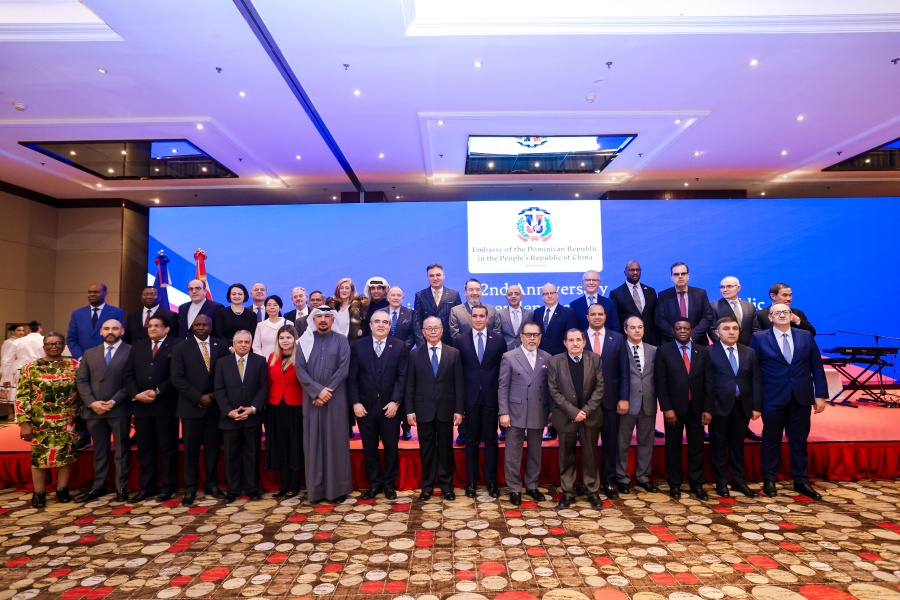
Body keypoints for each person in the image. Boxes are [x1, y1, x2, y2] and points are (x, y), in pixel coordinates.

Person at [750, 303, 828, 500]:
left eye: (786, 312)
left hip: (800, 398)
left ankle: (801, 481)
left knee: (799, 441)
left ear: (791, 315)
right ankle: (769, 479)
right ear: (770, 317)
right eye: (777, 313)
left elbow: (816, 367)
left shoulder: (805, 336)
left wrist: (820, 395)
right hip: (772, 398)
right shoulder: (759, 338)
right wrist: (756, 403)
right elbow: (754, 373)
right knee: (770, 440)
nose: (782, 315)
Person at [15, 332, 79, 508]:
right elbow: (21, 397)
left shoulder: (74, 365)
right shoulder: (31, 367)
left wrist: (77, 394)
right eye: (50, 343)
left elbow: (83, 386)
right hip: (40, 421)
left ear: (63, 345)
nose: (54, 346)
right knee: (39, 458)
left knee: (65, 455)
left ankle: (62, 489)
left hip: (66, 419)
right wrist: (24, 423)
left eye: (58, 343)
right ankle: (39, 492)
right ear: (44, 347)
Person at [349, 311, 409, 500]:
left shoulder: (399, 346)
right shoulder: (359, 346)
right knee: (369, 448)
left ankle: (389, 485)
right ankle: (374, 484)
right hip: (365, 408)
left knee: (391, 447)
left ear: (390, 326)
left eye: (385, 322)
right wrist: (356, 402)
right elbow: (352, 378)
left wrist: (396, 402)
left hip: (390, 408)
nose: (381, 325)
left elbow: (402, 377)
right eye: (377, 322)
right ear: (371, 325)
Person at [296, 307, 353, 503]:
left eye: (327, 317)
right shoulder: (304, 342)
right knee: (313, 443)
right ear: (313, 319)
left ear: (332, 319)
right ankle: (316, 491)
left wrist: (326, 391)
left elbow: (343, 369)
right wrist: (316, 391)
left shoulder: (341, 340)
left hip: (335, 399)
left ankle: (338, 490)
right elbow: (301, 371)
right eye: (319, 316)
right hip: (312, 400)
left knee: (335, 442)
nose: (323, 320)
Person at [405, 316, 464, 502]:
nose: (432, 331)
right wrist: (410, 410)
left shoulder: (454, 353)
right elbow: (410, 385)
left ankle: (447, 486)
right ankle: (427, 486)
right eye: (428, 328)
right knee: (426, 449)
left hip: (446, 409)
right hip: (423, 410)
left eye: (435, 328)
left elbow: (459, 385)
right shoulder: (414, 355)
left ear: (442, 330)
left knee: (446, 449)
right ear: (422, 332)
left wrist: (459, 410)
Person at [171, 314, 228, 505]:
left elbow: (225, 376)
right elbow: (177, 379)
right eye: (198, 325)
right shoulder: (180, 348)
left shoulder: (221, 346)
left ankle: (211, 484)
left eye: (205, 324)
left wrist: (211, 396)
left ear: (211, 326)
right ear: (192, 327)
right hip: (190, 407)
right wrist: (199, 397)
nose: (201, 327)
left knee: (212, 449)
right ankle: (190, 488)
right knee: (191, 450)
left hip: (214, 407)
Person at [123, 314, 179, 502]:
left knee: (167, 448)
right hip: (141, 405)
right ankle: (147, 486)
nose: (152, 328)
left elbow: (177, 375)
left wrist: (157, 391)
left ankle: (168, 486)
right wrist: (136, 394)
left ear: (167, 328)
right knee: (145, 448)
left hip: (165, 404)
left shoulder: (176, 345)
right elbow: (128, 374)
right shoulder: (138, 346)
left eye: (157, 325)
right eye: (150, 325)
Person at [74, 319, 132, 503]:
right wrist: (92, 403)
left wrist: (113, 401)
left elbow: (131, 381)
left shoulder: (131, 351)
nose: (110, 331)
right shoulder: (90, 353)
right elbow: (81, 381)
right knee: (99, 450)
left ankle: (121, 487)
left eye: (115, 328)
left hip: (119, 408)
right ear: (100, 332)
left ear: (122, 330)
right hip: (94, 410)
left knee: (122, 450)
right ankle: (98, 486)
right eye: (106, 328)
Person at [655, 319, 712, 500]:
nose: (682, 331)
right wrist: (667, 408)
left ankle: (696, 484)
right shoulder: (664, 351)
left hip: (697, 408)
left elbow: (708, 382)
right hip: (674, 409)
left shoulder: (702, 351)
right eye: (678, 328)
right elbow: (661, 383)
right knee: (673, 447)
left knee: (697, 447)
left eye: (686, 328)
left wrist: (708, 408)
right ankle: (675, 484)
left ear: (692, 330)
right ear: (673, 330)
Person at [548, 329, 605, 509]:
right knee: (566, 456)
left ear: (584, 342)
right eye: (571, 340)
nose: (575, 343)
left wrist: (585, 411)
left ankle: (592, 491)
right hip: (566, 418)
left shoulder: (595, 359)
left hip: (590, 416)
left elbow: (600, 388)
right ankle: (568, 492)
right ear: (565, 343)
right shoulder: (554, 361)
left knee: (590, 456)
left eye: (578, 340)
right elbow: (554, 391)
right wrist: (573, 412)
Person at [498, 322, 552, 505]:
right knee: (513, 453)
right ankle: (514, 488)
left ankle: (532, 486)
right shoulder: (509, 356)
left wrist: (550, 413)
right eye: (528, 334)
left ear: (540, 337)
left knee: (535, 452)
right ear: (521, 336)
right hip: (515, 411)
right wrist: (503, 412)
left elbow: (550, 389)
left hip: (538, 410)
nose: (532, 338)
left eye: (535, 335)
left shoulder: (547, 357)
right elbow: (503, 387)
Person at [707, 317, 762, 497]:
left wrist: (756, 406)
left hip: (742, 406)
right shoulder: (708, 352)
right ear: (717, 332)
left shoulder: (749, 352)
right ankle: (721, 482)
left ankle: (739, 481)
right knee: (718, 446)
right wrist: (707, 408)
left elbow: (755, 381)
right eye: (726, 329)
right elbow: (705, 383)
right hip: (718, 407)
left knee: (738, 446)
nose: (731, 332)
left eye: (735, 328)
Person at [455, 304, 505, 498]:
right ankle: (472, 482)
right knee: (471, 441)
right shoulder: (460, 340)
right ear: (470, 317)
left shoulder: (498, 340)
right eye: (474, 316)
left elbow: (502, 372)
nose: (477, 319)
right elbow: (458, 372)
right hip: (470, 398)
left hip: (492, 398)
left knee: (491, 440)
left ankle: (492, 482)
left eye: (481, 316)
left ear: (487, 318)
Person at [583, 303, 630, 499]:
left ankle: (608, 480)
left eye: (600, 314)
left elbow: (624, 370)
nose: (596, 317)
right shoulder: (579, 338)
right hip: (585, 401)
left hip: (611, 400)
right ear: (587, 317)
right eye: (593, 314)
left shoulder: (617, 338)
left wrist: (624, 398)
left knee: (610, 442)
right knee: (588, 444)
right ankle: (590, 481)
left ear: (605, 316)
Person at [214, 330, 268, 503]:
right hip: (230, 417)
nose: (244, 345)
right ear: (234, 344)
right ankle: (233, 489)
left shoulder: (260, 361)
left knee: (252, 453)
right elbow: (219, 389)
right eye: (240, 342)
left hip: (252, 416)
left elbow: (263, 388)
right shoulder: (222, 363)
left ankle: (252, 489)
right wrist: (228, 411)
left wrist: (252, 408)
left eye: (247, 342)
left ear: (251, 344)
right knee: (231, 455)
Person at [615, 316, 660, 494]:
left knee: (646, 442)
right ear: (625, 330)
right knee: (622, 443)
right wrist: (620, 398)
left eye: (640, 327)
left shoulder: (654, 350)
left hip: (648, 403)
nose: (637, 330)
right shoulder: (619, 348)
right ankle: (622, 478)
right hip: (626, 403)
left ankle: (643, 477)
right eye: (632, 327)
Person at [265, 324, 305, 498]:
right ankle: (283, 484)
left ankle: (294, 485)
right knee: (280, 446)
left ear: (294, 339)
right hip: (275, 408)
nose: (285, 341)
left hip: (296, 407)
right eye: (282, 338)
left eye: (288, 337)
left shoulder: (301, 357)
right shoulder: (272, 357)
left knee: (295, 446)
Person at [534, 283, 578, 440]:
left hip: (561, 361)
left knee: (561, 394)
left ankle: (564, 427)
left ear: (557, 294)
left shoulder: (568, 312)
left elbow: (571, 338)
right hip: (540, 360)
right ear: (542, 296)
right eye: (546, 294)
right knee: (545, 394)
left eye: (552, 293)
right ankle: (550, 429)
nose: (549, 296)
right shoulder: (537, 313)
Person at [655, 263, 714, 345]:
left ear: (688, 276)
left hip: (698, 342)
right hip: (672, 343)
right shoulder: (663, 295)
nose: (680, 276)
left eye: (683, 273)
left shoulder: (700, 293)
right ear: (671, 277)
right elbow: (660, 319)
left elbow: (707, 317)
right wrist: (677, 337)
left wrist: (692, 337)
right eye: (676, 274)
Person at [385, 286, 415, 440]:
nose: (396, 297)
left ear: (402, 297)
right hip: (384, 358)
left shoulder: (410, 313)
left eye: (399, 295)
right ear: (387, 297)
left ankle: (406, 427)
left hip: (405, 357)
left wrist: (401, 349)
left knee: (404, 390)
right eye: (393, 295)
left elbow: (413, 335)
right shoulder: (381, 313)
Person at [66, 283, 125, 359]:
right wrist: (81, 357)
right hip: (82, 360)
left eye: (96, 292)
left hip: (107, 359)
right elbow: (71, 339)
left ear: (105, 294)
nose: (92, 294)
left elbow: (119, 336)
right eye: (90, 292)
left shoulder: (116, 312)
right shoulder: (77, 314)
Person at [413, 263, 461, 347]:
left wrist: (457, 344)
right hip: (427, 344)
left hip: (450, 344)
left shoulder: (454, 295)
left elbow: (458, 321)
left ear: (443, 276)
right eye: (431, 276)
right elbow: (417, 322)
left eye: (438, 275)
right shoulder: (420, 295)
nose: (435, 278)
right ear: (428, 277)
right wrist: (421, 345)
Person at [610, 261, 658, 345]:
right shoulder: (616, 293)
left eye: (637, 270)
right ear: (625, 272)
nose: (635, 272)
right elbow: (615, 319)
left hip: (650, 339)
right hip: (627, 340)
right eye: (632, 270)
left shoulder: (650, 291)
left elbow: (654, 315)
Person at [710, 277, 759, 346]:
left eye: (729, 286)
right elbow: (712, 330)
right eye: (722, 287)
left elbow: (756, 329)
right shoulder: (714, 306)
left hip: (748, 349)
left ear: (738, 288)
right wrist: (724, 345)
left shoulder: (749, 306)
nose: (725, 290)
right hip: (725, 348)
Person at [570, 270, 619, 334]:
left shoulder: (609, 303)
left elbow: (615, 327)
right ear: (583, 282)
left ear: (599, 282)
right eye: (588, 280)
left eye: (594, 280)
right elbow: (573, 329)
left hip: (606, 343)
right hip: (583, 342)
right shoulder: (574, 305)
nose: (591, 282)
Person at [326, 278, 369, 344]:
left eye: (347, 288)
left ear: (351, 290)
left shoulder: (359, 306)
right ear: (338, 290)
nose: (344, 290)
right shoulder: (331, 306)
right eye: (341, 288)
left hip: (353, 345)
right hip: (333, 345)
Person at [498, 285, 534, 351]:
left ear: (521, 296)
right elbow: (497, 334)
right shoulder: (499, 313)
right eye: (510, 294)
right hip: (505, 351)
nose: (513, 296)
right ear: (506, 297)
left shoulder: (530, 313)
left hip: (525, 350)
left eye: (516, 294)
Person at [1, 324, 27, 407]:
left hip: (19, 367)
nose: (21, 332)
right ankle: (10, 413)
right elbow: (5, 357)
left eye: (23, 330)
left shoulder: (23, 341)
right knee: (11, 391)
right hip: (10, 369)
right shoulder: (8, 342)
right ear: (13, 332)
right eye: (19, 330)